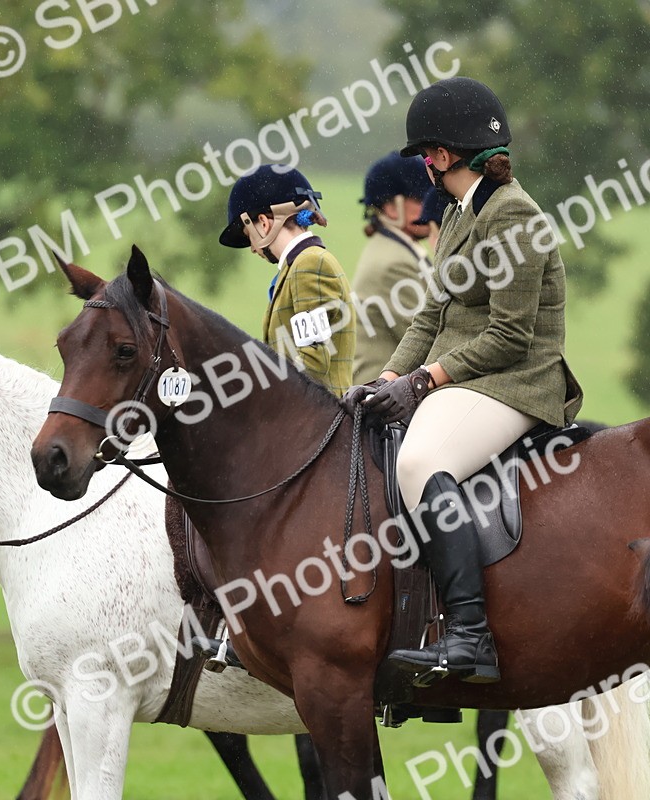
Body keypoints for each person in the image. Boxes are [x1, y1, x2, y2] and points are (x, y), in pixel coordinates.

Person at [345, 77, 583, 683]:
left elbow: (511, 337)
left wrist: (423, 382)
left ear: (444, 157)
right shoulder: (457, 213)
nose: (424, 165)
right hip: (468, 378)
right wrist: (389, 377)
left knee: (421, 463)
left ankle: (469, 636)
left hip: (518, 382)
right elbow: (432, 313)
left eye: (425, 154)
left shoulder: (513, 216)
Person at [219, 165, 356, 396]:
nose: (253, 248)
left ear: (263, 223)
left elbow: (313, 363)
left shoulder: (310, 265)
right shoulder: (297, 267)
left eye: (248, 236)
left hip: (319, 422)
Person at [350, 152, 434, 384]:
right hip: (384, 404)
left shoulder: (396, 249)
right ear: (392, 208)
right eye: (421, 198)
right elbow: (434, 341)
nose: (433, 205)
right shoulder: (394, 263)